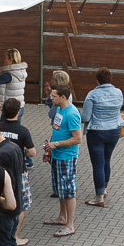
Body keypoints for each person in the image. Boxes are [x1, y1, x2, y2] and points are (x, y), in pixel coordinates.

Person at [80, 68, 124, 208]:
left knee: (98, 164)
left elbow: (86, 117)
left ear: (97, 80)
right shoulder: (118, 92)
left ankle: (99, 197)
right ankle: (104, 189)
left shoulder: (92, 94)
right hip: (114, 131)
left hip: (97, 132)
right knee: (107, 160)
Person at [42, 84, 82, 236]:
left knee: (69, 191)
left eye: (53, 96)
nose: (50, 98)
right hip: (56, 155)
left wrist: (56, 145)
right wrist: (49, 151)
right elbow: (56, 131)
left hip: (67, 157)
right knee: (60, 190)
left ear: (63, 97)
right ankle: (62, 217)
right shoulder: (59, 110)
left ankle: (70, 225)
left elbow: (77, 139)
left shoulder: (71, 114)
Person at [0, 98, 36, 246]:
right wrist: (23, 150)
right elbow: (32, 152)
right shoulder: (23, 131)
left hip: (0, 171)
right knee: (21, 205)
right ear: (18, 112)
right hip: (19, 173)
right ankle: (15, 236)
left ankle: (0, 233)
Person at [43, 69, 72, 197]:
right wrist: (49, 95)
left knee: (55, 162)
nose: (51, 80)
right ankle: (58, 189)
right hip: (57, 131)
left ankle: (58, 189)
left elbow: (52, 113)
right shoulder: (63, 94)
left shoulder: (65, 102)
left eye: (53, 79)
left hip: (60, 134)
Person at [0, 48, 28, 115]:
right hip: (20, 106)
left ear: (10, 60)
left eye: (5, 58)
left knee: (4, 125)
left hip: (9, 108)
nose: (4, 60)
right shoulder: (21, 72)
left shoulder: (8, 75)